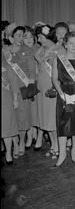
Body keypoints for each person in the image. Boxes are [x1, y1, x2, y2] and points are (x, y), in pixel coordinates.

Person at [52, 31, 75, 168]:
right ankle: (62, 154)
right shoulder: (58, 59)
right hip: (64, 94)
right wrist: (62, 95)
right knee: (62, 125)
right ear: (65, 44)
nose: (73, 46)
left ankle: (74, 151)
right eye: (70, 43)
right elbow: (54, 79)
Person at [2, 24, 37, 157]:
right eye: (18, 35)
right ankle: (14, 144)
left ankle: (21, 141)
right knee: (10, 118)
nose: (21, 38)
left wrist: (31, 87)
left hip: (23, 88)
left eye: (22, 35)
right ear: (11, 36)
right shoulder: (4, 50)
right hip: (7, 89)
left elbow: (32, 71)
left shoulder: (27, 50)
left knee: (23, 118)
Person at [34, 24, 63, 159]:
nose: (38, 40)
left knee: (53, 118)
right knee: (46, 118)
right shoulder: (40, 50)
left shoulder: (59, 50)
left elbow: (63, 72)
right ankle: (53, 144)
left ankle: (58, 146)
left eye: (40, 36)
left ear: (47, 36)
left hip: (53, 88)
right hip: (41, 89)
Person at [23, 25, 41, 150]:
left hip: (38, 84)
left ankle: (38, 135)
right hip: (24, 84)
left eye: (31, 36)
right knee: (28, 111)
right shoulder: (19, 50)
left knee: (37, 111)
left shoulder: (39, 49)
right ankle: (29, 136)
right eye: (25, 36)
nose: (29, 39)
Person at [1, 52, 20, 164]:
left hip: (5, 101)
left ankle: (8, 153)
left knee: (6, 128)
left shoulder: (7, 66)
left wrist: (15, 99)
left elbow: (14, 82)